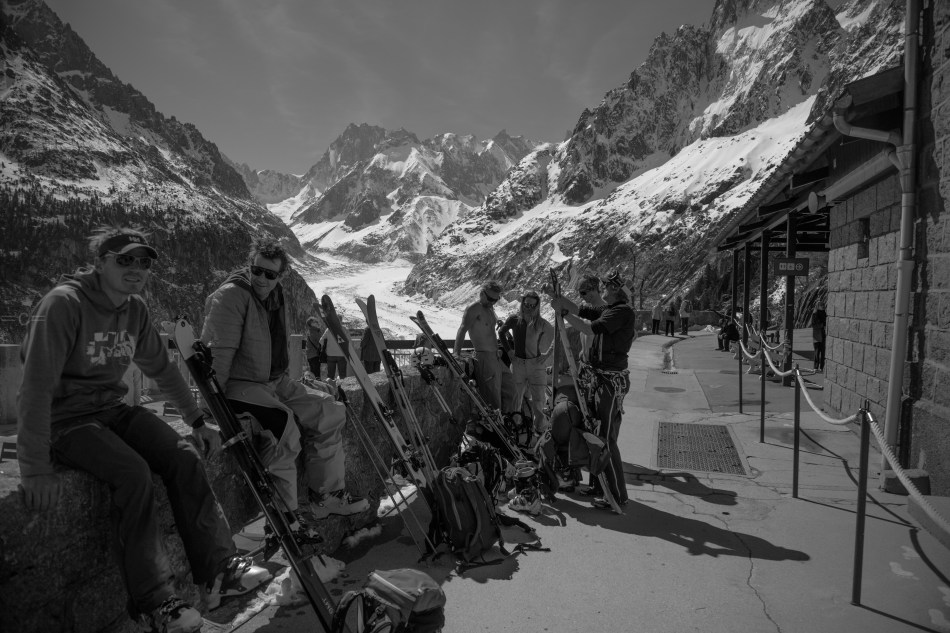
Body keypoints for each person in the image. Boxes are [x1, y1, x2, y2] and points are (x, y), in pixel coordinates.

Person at [17, 227, 270, 633]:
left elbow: (163, 370)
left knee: (184, 456)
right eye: (125, 260)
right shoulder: (63, 306)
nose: (136, 269)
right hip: (67, 421)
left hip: (112, 409)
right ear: (101, 263)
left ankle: (218, 571)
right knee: (132, 473)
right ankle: (156, 603)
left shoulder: (134, 310)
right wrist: (33, 468)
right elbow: (34, 389)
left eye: (144, 262)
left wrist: (197, 421)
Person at [202, 238, 368, 525]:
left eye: (270, 274)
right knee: (283, 426)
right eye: (257, 271)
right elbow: (219, 351)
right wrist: (211, 403)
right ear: (250, 266)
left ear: (280, 275)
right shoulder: (231, 296)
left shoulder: (276, 295)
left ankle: (326, 498)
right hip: (241, 384)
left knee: (328, 409)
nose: (262, 279)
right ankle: (286, 518)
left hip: (276, 381)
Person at [551, 270, 636, 510]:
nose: (604, 292)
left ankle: (618, 495)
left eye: (607, 289)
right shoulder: (610, 310)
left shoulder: (621, 312)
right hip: (599, 380)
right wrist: (559, 301)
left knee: (607, 438)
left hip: (610, 382)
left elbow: (590, 328)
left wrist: (564, 313)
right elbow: (582, 311)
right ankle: (600, 487)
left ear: (616, 291)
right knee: (597, 433)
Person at [498, 290, 554, 434]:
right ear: (522, 303)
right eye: (526, 304)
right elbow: (501, 333)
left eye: (532, 306)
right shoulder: (514, 319)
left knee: (539, 401)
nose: (528, 308)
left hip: (536, 365)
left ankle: (540, 432)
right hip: (518, 364)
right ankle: (516, 430)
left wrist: (547, 354)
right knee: (515, 400)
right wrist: (509, 350)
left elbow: (557, 335)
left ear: (537, 306)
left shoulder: (540, 322)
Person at [454, 281, 504, 410]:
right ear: (481, 293)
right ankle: (495, 427)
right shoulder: (474, 308)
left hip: (495, 357)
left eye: (496, 299)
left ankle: (509, 422)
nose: (492, 302)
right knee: (492, 397)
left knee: (508, 390)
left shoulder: (489, 308)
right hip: (484, 357)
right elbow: (462, 329)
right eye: (490, 298)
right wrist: (456, 353)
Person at [811, 303, 827, 372]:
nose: (823, 306)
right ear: (818, 306)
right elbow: (813, 325)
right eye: (821, 305)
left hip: (823, 334)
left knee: (823, 352)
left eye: (823, 305)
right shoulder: (815, 314)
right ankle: (816, 367)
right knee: (817, 352)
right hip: (817, 335)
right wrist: (821, 325)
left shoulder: (824, 313)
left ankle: (822, 367)